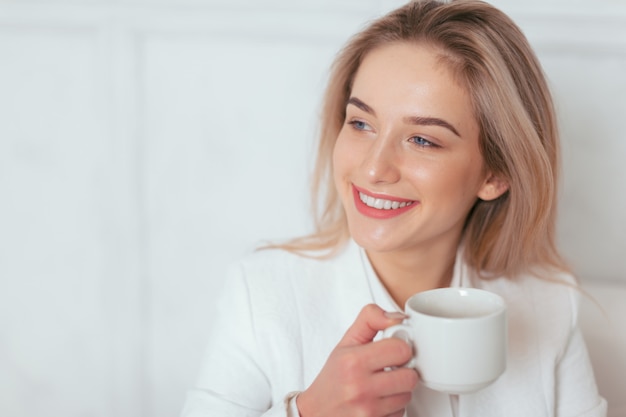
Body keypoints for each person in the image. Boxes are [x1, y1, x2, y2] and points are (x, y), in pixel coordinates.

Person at [181, 1, 607, 416]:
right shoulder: (264, 293)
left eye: (422, 139)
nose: (372, 168)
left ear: (494, 175)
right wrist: (308, 413)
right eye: (361, 124)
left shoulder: (549, 303)